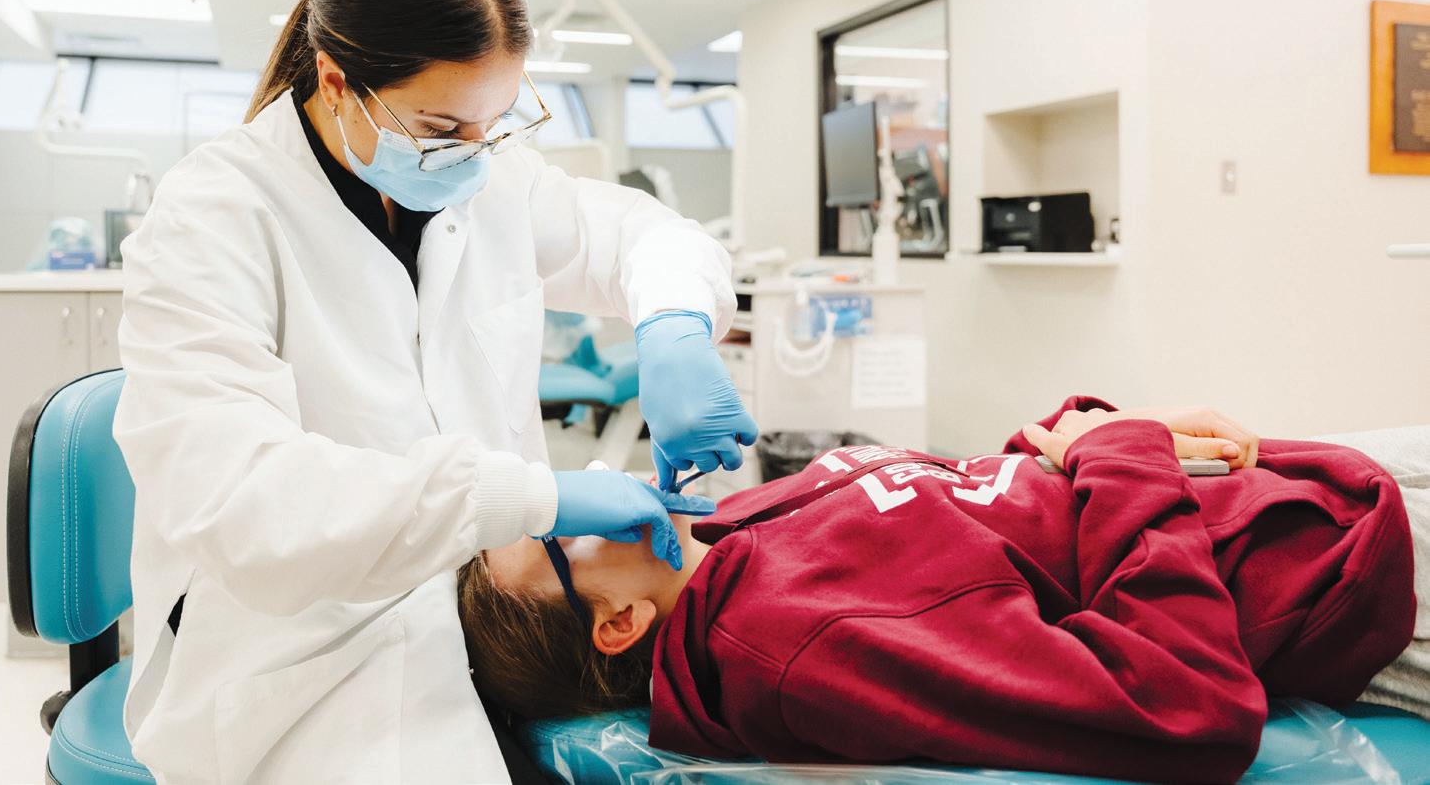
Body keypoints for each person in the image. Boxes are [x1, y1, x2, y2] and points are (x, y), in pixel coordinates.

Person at [110, 0, 755, 781]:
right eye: (444, 129)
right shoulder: (214, 215)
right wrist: (524, 497)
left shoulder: (488, 177)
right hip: (304, 639)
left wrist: (673, 323)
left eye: (497, 122)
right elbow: (244, 505)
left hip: (485, 611)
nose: (475, 156)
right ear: (337, 80)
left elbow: (641, 236)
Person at [459, 398, 1427, 784]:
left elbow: (971, 512)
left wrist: (1069, 435)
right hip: (1348, 570)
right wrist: (1119, 456)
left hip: (1293, 483)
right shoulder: (798, 645)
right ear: (619, 624)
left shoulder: (731, 524)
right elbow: (1184, 704)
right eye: (558, 530)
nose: (581, 490)